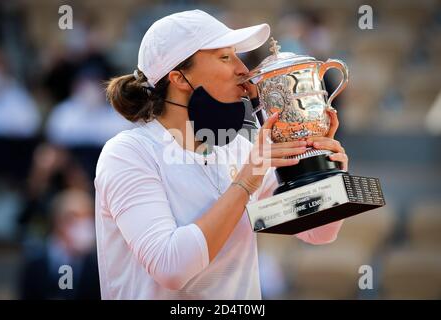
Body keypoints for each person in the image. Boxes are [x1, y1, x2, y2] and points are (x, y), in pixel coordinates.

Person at [95, 9, 348, 299]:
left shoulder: (239, 149)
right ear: (178, 77)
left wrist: (323, 169)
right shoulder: (127, 153)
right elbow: (171, 267)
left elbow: (318, 231)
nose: (244, 69)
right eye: (225, 57)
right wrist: (245, 183)